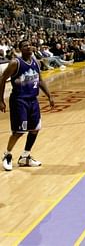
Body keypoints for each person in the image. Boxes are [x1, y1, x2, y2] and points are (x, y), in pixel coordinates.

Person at [1, 40, 55, 171]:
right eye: (25, 46)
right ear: (20, 49)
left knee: (35, 129)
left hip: (33, 100)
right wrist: (1, 100)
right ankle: (7, 155)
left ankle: (25, 156)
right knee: (19, 132)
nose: (29, 47)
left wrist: (49, 95)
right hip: (19, 101)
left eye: (30, 45)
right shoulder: (15, 63)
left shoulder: (36, 62)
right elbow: (2, 79)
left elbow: (40, 80)